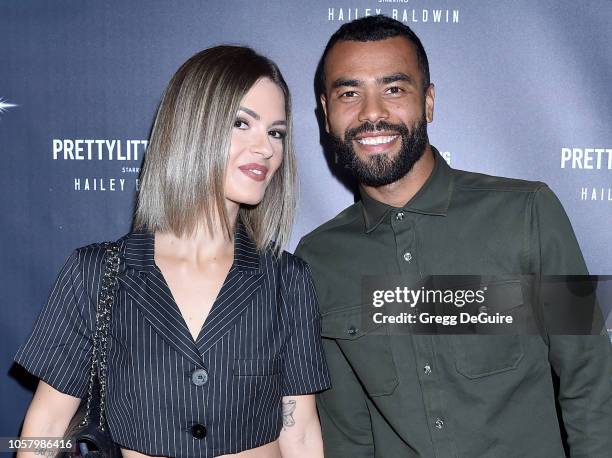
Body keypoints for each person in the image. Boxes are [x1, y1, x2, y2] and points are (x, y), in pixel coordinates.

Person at [295, 15, 612, 457]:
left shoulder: (528, 211)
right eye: (349, 93)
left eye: (394, 89)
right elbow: (348, 433)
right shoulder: (318, 258)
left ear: (428, 102)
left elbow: (593, 382)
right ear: (326, 115)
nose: (372, 113)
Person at [15, 45, 330, 458]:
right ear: (192, 127)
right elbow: (47, 426)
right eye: (241, 123)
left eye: (276, 132)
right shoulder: (96, 273)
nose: (267, 148)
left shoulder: (287, 281)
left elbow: (300, 430)